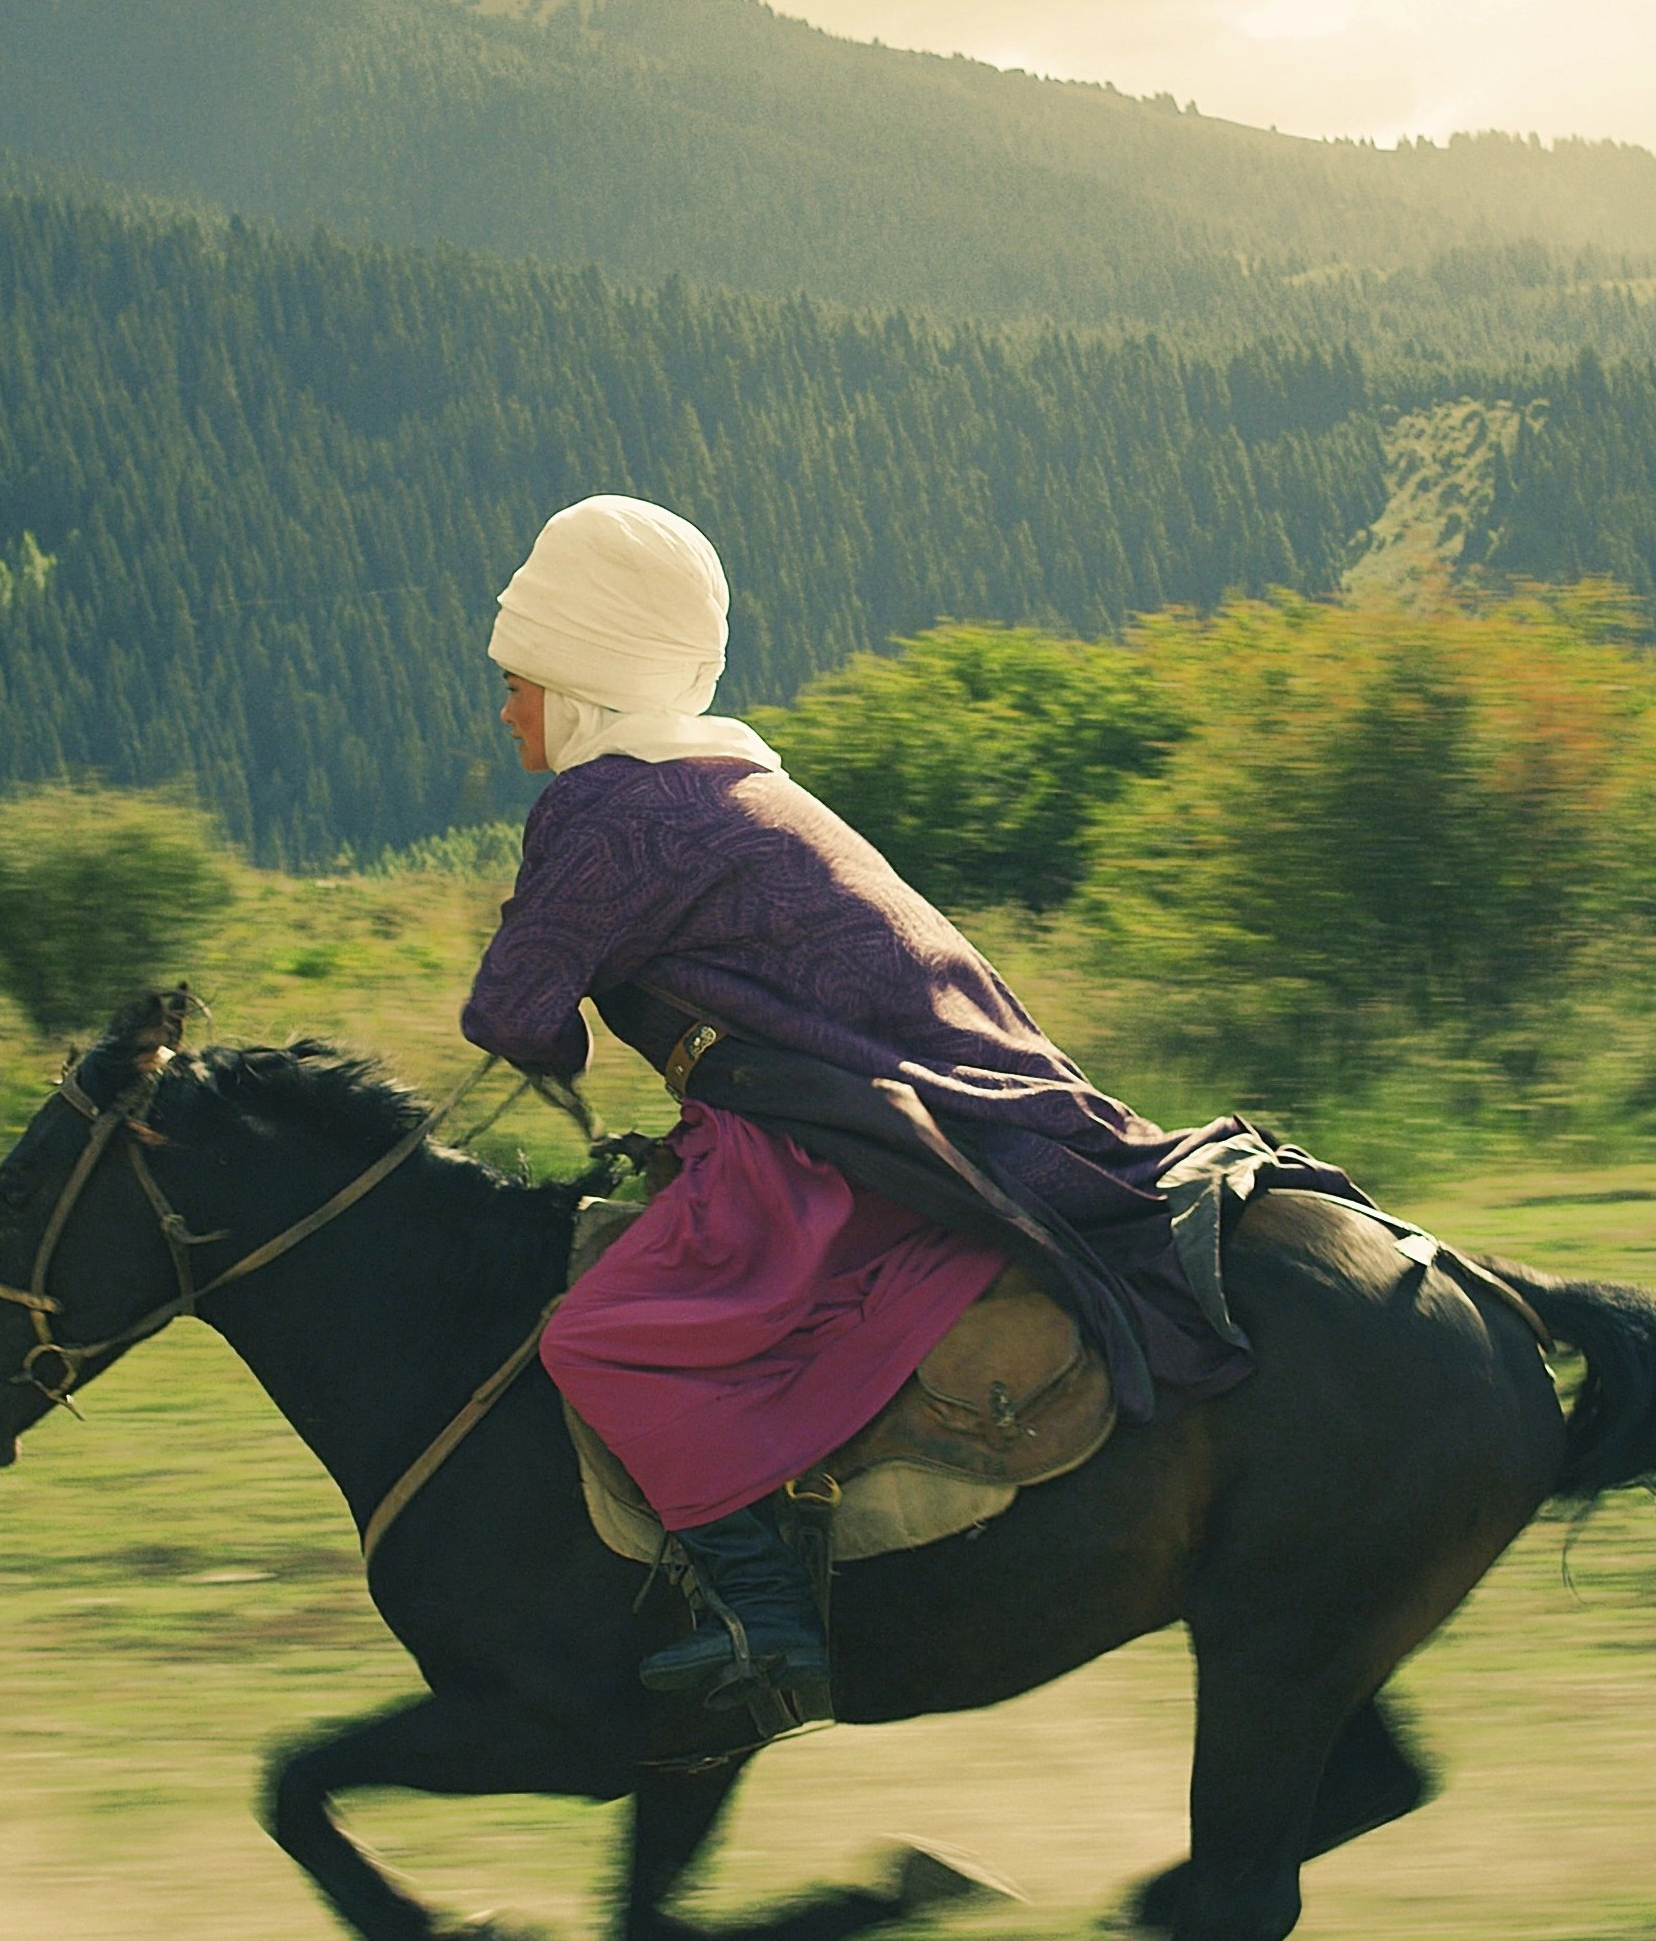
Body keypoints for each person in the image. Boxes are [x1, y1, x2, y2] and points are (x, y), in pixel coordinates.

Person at [459, 495, 1365, 1731]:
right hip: (930, 1109)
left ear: (577, 683)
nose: (505, 706)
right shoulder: (736, 778)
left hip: (823, 1140)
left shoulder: (606, 807)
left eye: (519, 679)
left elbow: (511, 1017)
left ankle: (761, 1613)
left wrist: (564, 1026)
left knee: (598, 1335)